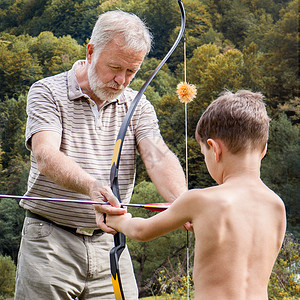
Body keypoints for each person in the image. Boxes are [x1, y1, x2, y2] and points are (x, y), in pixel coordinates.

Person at [16, 10, 187, 300]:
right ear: (91, 51)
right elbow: (45, 155)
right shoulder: (47, 91)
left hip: (111, 244)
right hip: (49, 241)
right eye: (114, 68)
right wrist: (91, 186)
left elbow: (156, 156)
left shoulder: (137, 104)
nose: (121, 80)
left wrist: (185, 204)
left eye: (131, 72)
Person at [106, 90, 287, 299]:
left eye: (203, 154)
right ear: (263, 150)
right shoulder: (276, 205)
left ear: (214, 149)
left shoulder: (200, 200)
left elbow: (141, 231)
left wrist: (118, 219)